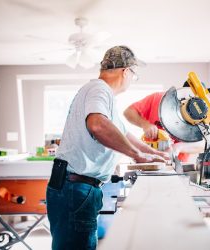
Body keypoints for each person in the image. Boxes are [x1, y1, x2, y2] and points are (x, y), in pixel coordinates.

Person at [46, 45, 167, 250]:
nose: (131, 80)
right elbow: (98, 125)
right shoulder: (99, 89)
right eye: (133, 75)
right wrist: (137, 155)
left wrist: (154, 154)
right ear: (126, 71)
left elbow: (123, 133)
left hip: (76, 186)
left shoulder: (103, 95)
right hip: (76, 187)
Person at [124, 92, 206, 162]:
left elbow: (203, 144)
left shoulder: (199, 117)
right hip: (148, 159)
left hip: (176, 164)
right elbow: (128, 112)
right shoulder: (159, 98)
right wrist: (145, 124)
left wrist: (178, 147)